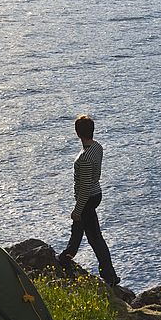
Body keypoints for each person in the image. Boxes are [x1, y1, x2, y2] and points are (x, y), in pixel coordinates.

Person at [58, 114, 120, 287]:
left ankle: (110, 276)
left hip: (88, 198)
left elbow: (84, 188)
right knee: (78, 231)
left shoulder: (84, 158)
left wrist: (77, 211)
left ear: (78, 133)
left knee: (95, 238)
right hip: (96, 193)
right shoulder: (97, 147)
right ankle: (65, 257)